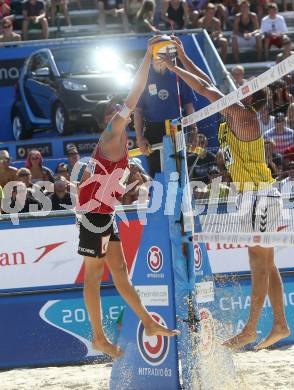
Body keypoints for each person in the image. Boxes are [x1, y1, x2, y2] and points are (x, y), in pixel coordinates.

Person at [159, 36, 290, 349]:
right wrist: (183, 57)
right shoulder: (234, 115)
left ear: (246, 97)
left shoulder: (243, 116)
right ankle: (281, 324)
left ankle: (250, 328)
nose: (233, 89)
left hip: (260, 196)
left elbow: (206, 90)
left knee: (259, 264)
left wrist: (171, 67)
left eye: (239, 88)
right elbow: (206, 84)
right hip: (253, 197)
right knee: (267, 264)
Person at [76, 38, 179, 359]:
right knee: (93, 276)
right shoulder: (110, 134)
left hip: (103, 213)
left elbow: (133, 102)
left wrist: (142, 142)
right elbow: (135, 94)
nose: (119, 110)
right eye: (113, 110)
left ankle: (148, 322)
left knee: (120, 274)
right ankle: (98, 338)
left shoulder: (119, 141)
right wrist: (148, 56)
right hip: (94, 213)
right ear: (108, 118)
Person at [134, 38, 196, 177]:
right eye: (162, 52)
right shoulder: (145, 75)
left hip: (176, 127)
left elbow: (189, 104)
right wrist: (139, 137)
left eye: (169, 52)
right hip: (153, 129)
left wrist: (193, 129)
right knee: (157, 174)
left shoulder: (178, 73)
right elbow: (137, 110)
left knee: (179, 173)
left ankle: (181, 199)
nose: (165, 56)